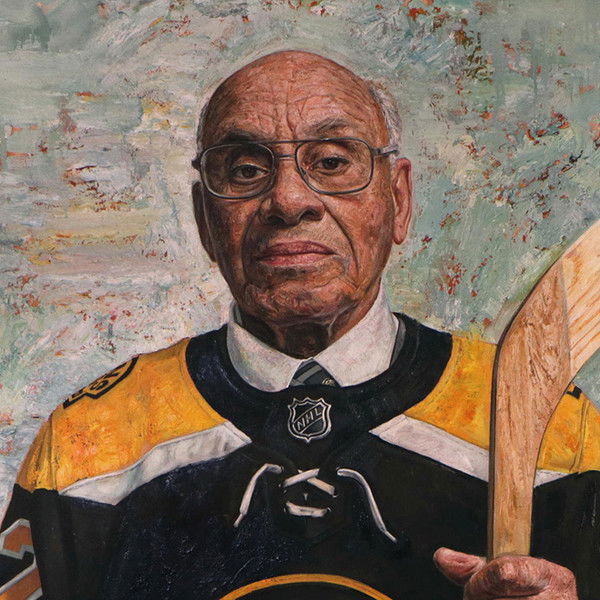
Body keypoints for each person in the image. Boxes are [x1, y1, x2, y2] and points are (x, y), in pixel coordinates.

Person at [0, 50, 596, 600]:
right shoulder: (88, 444)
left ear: (399, 199)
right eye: (245, 170)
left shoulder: (551, 428)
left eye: (332, 162)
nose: (288, 200)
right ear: (205, 219)